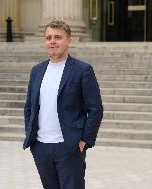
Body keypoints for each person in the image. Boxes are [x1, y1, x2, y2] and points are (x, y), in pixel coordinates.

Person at [23, 20, 103, 189]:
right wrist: (31, 136)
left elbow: (95, 109)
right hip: (41, 147)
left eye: (58, 37)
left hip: (69, 147)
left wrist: (84, 140)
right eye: (48, 37)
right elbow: (30, 107)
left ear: (69, 41)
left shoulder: (82, 70)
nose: (52, 41)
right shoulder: (37, 71)